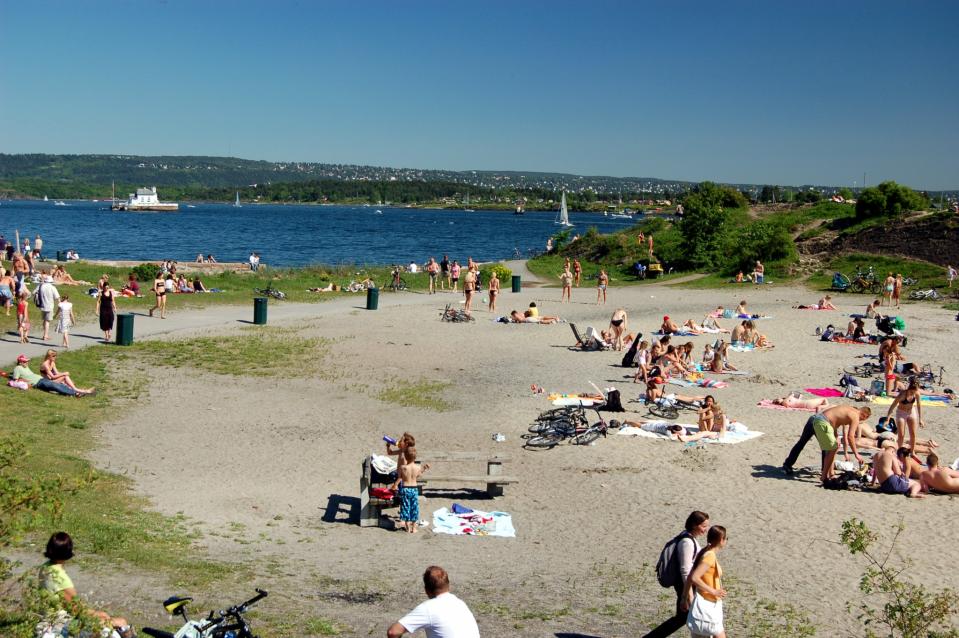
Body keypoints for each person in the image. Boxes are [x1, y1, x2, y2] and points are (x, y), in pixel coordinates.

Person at [38, 532, 132, 637]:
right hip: (59, 625)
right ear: (68, 551)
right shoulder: (61, 578)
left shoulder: (45, 567)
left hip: (50, 620)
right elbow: (77, 610)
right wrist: (101, 616)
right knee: (119, 623)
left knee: (106, 619)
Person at [642, 510, 710, 638]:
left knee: (683, 618)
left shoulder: (688, 538)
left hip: (687, 585)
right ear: (695, 525)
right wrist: (688, 593)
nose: (706, 530)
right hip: (685, 585)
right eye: (704, 526)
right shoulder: (687, 542)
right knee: (689, 617)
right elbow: (685, 570)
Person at [387, 566, 480, 638]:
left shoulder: (428, 608)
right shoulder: (460, 603)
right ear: (448, 586)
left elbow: (393, 632)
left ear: (426, 590)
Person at [782, 405, 870, 481]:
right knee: (829, 448)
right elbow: (850, 437)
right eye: (863, 419)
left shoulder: (848, 409)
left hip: (814, 418)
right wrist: (856, 454)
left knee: (801, 443)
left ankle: (787, 464)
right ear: (864, 415)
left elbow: (834, 422)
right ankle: (825, 473)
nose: (861, 421)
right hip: (822, 423)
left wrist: (836, 438)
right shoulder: (856, 416)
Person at [682, 525, 728, 638]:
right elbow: (694, 577)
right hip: (709, 605)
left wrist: (684, 598)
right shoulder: (710, 556)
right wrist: (714, 591)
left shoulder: (704, 552)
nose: (726, 541)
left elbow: (689, 577)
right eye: (726, 538)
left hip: (704, 605)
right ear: (721, 539)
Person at [12, 354, 93, 397]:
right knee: (55, 386)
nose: (27, 362)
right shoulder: (17, 368)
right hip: (37, 383)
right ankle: (75, 393)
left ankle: (76, 391)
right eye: (25, 361)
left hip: (41, 379)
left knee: (57, 385)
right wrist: (25, 382)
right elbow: (15, 380)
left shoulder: (25, 367)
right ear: (20, 362)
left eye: (27, 361)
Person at [391, 447, 429, 534]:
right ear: (415, 457)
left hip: (405, 489)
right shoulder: (417, 467)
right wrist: (424, 468)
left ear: (406, 457)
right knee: (414, 508)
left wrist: (395, 485)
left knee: (406, 507)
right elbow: (418, 475)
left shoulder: (403, 467)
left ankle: (408, 528)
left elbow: (400, 478)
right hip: (414, 489)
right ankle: (414, 528)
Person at [884, 377, 924, 455]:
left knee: (913, 433)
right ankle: (900, 451)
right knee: (901, 434)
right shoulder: (902, 395)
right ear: (909, 389)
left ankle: (912, 451)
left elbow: (919, 406)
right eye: (912, 391)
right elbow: (892, 406)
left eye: (914, 391)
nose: (913, 393)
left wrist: (920, 419)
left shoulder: (917, 394)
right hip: (901, 413)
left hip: (911, 411)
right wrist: (887, 419)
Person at [36, 274, 61, 342]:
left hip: (42, 306)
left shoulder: (41, 286)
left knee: (44, 320)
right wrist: (60, 305)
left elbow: (34, 292)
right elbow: (57, 297)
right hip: (49, 306)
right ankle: (45, 335)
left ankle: (45, 333)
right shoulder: (52, 287)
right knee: (47, 321)